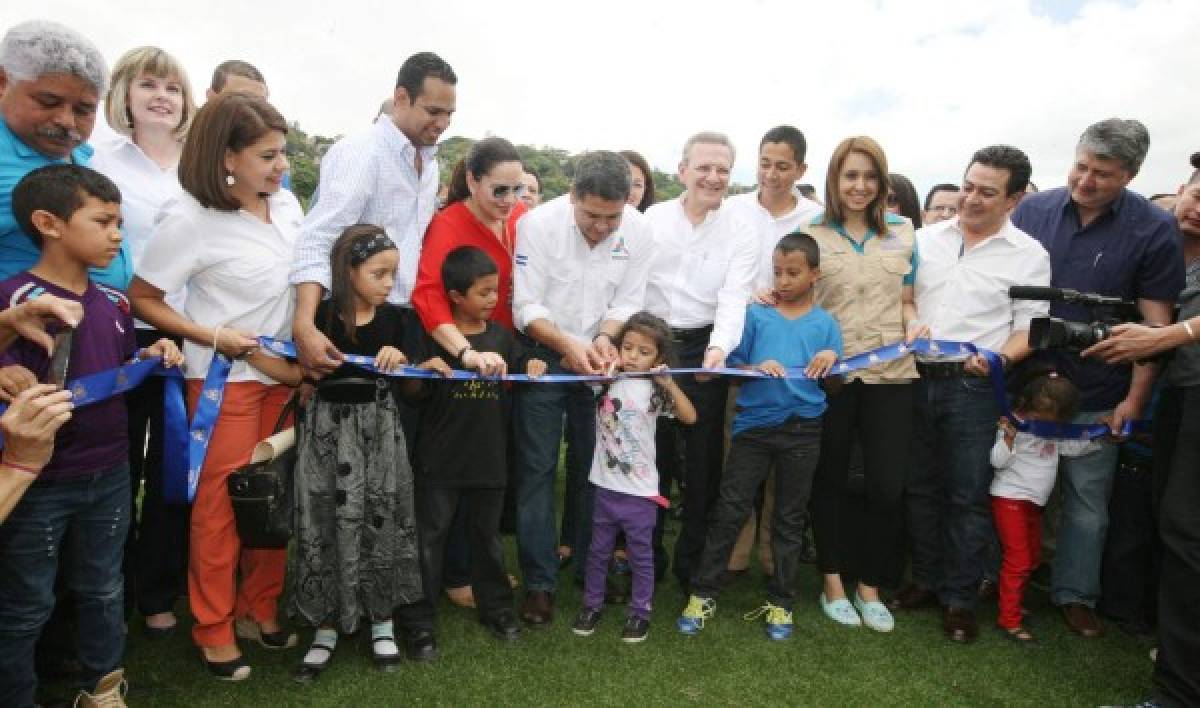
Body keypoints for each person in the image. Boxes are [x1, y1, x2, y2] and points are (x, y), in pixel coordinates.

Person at [128, 92, 303, 680]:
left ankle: (261, 607)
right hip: (225, 384)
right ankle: (213, 625)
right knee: (220, 512)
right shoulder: (190, 219)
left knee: (272, 500)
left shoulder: (290, 210)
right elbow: (144, 297)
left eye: (285, 153)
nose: (282, 166)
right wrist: (212, 334)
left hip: (285, 382)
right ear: (227, 157)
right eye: (268, 155)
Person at [0, 163, 182, 708]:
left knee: (104, 588)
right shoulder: (15, 301)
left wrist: (151, 355)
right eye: (103, 221)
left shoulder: (117, 303)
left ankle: (103, 689)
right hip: (36, 481)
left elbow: (118, 366)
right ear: (49, 223)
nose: (118, 234)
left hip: (109, 472)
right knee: (27, 600)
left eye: (120, 221)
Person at [1010, 118, 1183, 639]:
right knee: (1009, 486)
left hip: (1101, 386)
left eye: (1102, 174)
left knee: (1088, 503)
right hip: (1025, 379)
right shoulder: (1034, 210)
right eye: (1081, 166)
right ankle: (1001, 579)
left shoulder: (1154, 228)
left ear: (1129, 175)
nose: (1085, 181)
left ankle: (1076, 594)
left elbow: (1157, 323)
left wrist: (1134, 399)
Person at [901, 145, 1051, 643]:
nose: (970, 199)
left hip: (973, 386)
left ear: (1013, 199)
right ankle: (924, 580)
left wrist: (997, 358)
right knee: (920, 486)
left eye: (987, 192)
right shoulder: (923, 239)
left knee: (966, 495)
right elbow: (905, 299)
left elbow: (1030, 330)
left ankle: (960, 599)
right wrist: (910, 323)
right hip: (915, 376)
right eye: (968, 186)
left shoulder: (1029, 255)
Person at [290, 225, 449, 682]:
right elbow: (304, 375)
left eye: (393, 274)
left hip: (380, 434)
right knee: (321, 521)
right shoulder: (316, 317)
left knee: (382, 518)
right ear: (348, 270)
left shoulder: (400, 321)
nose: (387, 283)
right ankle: (323, 628)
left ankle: (382, 624)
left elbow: (417, 389)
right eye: (379, 273)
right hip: (324, 433)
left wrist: (418, 366)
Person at [511, 150, 655, 626]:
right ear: (573, 196)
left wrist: (602, 340)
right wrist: (568, 346)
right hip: (546, 357)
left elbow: (629, 299)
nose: (601, 227)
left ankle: (586, 568)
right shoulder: (537, 225)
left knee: (594, 467)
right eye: (592, 216)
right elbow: (526, 305)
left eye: (611, 217)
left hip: (601, 358)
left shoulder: (638, 229)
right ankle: (539, 583)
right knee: (536, 467)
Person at [677, 232, 841, 640]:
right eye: (778, 272)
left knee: (788, 518)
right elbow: (732, 365)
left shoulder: (826, 324)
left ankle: (782, 602)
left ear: (814, 274)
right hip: (753, 429)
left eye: (793, 272)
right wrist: (755, 365)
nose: (783, 280)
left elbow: (834, 387)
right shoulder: (756, 315)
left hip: (804, 431)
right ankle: (703, 593)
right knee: (730, 509)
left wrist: (831, 360)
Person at [1082, 152, 1200, 707]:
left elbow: (1164, 333)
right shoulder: (1168, 248)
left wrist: (1170, 335)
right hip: (1180, 397)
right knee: (1178, 531)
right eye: (1198, 188)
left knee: (1186, 532)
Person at [89, 44, 197, 637]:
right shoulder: (98, 157)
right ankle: (107, 594)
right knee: (116, 465)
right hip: (114, 332)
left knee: (172, 467)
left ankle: (157, 589)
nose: (162, 97)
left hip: (188, 333)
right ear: (124, 94)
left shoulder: (200, 166)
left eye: (173, 88)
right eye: (149, 85)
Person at [804, 136, 917, 634]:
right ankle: (831, 581)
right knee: (828, 480)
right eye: (851, 175)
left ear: (883, 182)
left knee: (887, 485)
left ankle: (870, 585)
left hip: (892, 375)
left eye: (870, 176)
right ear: (835, 179)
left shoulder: (904, 231)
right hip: (830, 379)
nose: (860, 186)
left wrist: (914, 321)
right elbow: (798, 302)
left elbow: (908, 299)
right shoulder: (811, 232)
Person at [407, 246, 544, 649]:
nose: (493, 299)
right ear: (455, 295)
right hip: (440, 459)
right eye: (483, 292)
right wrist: (422, 373)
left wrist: (533, 366)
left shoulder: (501, 336)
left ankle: (498, 609)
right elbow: (411, 390)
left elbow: (522, 367)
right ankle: (418, 620)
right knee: (430, 538)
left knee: (486, 537)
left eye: (496, 291)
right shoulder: (434, 336)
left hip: (489, 458)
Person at [291, 52, 457, 378]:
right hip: (353, 324)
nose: (442, 123)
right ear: (401, 98)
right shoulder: (361, 154)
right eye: (433, 111)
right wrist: (305, 325)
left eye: (449, 114)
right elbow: (317, 237)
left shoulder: (431, 164)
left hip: (405, 322)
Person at [644, 131, 756, 589]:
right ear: (682, 171)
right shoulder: (651, 219)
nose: (713, 177)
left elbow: (735, 297)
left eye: (722, 170)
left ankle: (694, 562)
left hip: (704, 349)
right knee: (650, 457)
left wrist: (719, 349)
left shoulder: (740, 229)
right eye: (704, 167)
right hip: (650, 346)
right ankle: (644, 557)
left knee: (703, 462)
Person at [724, 125, 822, 578]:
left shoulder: (816, 217)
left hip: (795, 352)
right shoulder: (734, 210)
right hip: (745, 349)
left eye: (783, 166)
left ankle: (772, 556)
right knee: (740, 453)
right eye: (765, 163)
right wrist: (750, 297)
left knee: (786, 469)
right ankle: (735, 552)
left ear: (801, 168)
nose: (772, 173)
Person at [573, 312, 696, 643]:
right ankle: (591, 605)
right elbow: (569, 363)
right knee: (598, 552)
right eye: (627, 347)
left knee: (641, 556)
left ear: (659, 357)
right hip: (605, 487)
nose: (633, 356)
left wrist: (669, 382)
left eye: (644, 351)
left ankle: (641, 612)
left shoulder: (656, 389)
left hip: (641, 493)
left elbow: (690, 416)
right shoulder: (605, 379)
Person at [0, 20, 131, 290]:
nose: (67, 121)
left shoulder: (81, 154)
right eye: (49, 102)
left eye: (84, 110)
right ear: (3, 83)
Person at [990, 369, 1097, 646]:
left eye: (1050, 418)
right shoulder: (1014, 424)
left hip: (1034, 505)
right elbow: (997, 462)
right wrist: (1008, 438)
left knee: (1033, 558)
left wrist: (1099, 436)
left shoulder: (1055, 432)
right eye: (1038, 414)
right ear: (1028, 404)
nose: (1041, 421)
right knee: (1018, 560)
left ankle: (1013, 604)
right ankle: (1009, 620)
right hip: (1009, 499)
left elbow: (1070, 449)